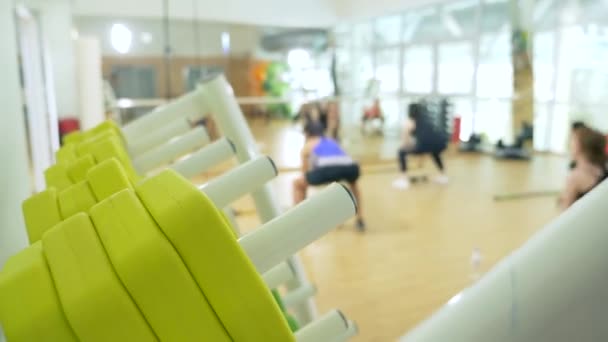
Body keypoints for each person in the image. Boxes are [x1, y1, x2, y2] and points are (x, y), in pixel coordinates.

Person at [293, 121, 365, 231]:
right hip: (350, 168)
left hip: (328, 169)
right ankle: (360, 219)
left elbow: (305, 173)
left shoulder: (308, 145)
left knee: (298, 184)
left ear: (307, 134)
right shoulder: (332, 141)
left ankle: (299, 220)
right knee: (353, 184)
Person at [393, 103, 448, 190]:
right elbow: (429, 137)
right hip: (440, 144)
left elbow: (405, 141)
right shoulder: (427, 119)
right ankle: (443, 176)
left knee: (401, 152)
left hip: (426, 145)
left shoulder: (410, 122)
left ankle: (403, 180)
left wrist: (408, 147)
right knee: (435, 153)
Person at [559, 126, 607, 210]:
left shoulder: (575, 178)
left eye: (571, 141)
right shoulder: (601, 168)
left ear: (578, 147)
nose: (569, 145)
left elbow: (565, 215)